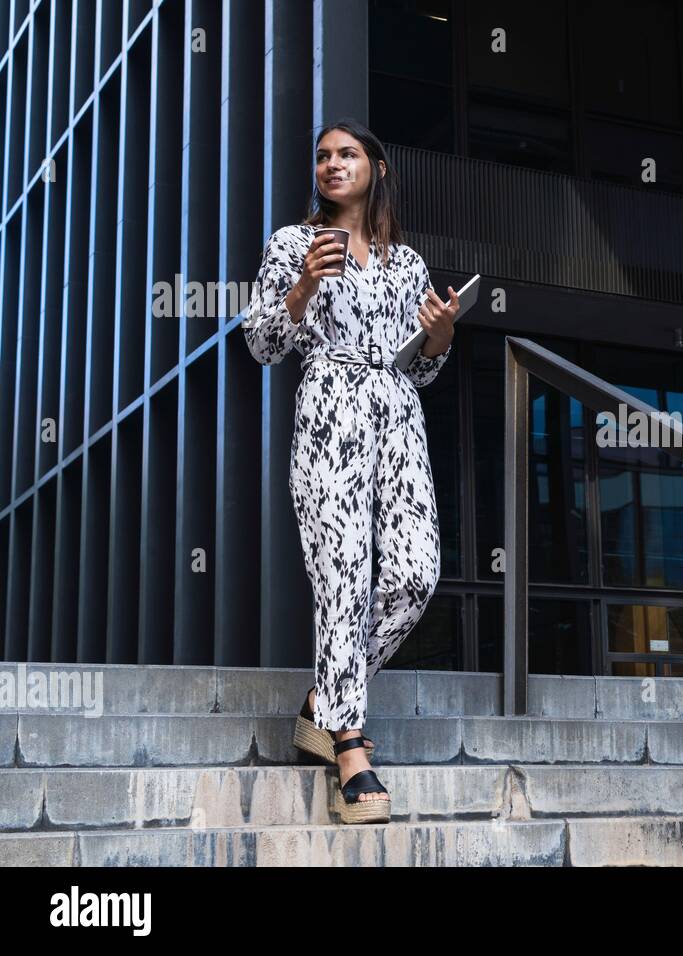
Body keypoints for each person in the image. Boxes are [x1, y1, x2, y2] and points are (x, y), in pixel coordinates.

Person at [240, 119, 458, 824]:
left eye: (348, 154)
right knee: (343, 576)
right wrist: (303, 287)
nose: (332, 164)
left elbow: (422, 368)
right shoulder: (292, 244)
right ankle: (351, 749)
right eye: (323, 156)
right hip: (330, 407)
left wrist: (442, 333)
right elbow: (263, 342)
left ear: (379, 168)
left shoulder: (408, 264)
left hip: (397, 416)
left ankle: (320, 700)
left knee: (415, 574)